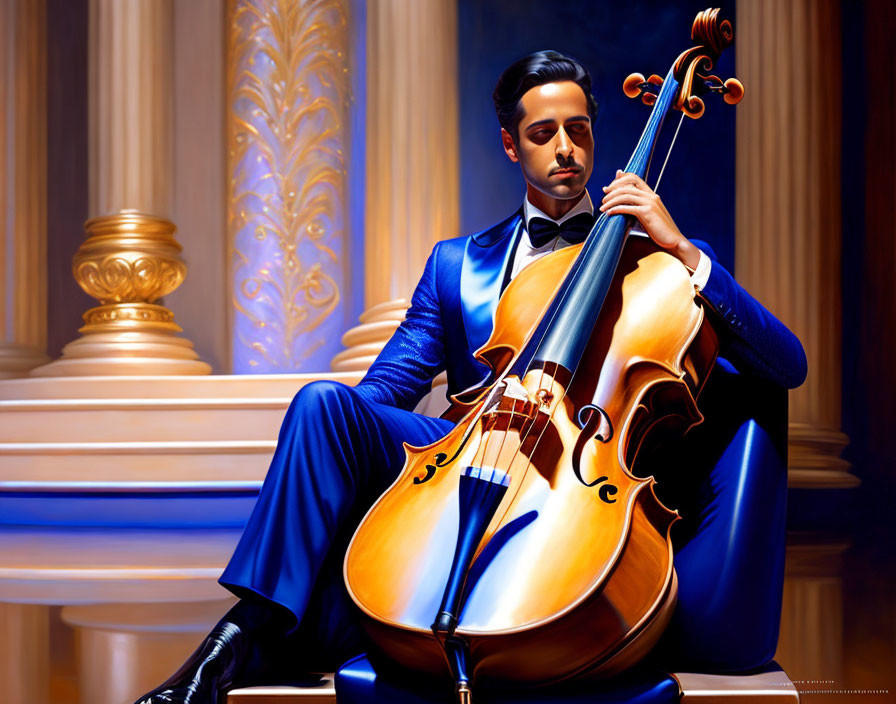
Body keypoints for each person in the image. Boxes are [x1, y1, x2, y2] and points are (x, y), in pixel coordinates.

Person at [134, 50, 807, 704]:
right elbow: (384, 393)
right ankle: (245, 633)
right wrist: (438, 458)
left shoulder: (660, 261)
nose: (565, 148)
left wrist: (683, 248)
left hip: (577, 477)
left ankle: (252, 646)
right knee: (323, 406)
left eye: (578, 130)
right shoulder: (456, 265)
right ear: (513, 148)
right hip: (470, 452)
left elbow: (786, 364)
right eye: (543, 134)